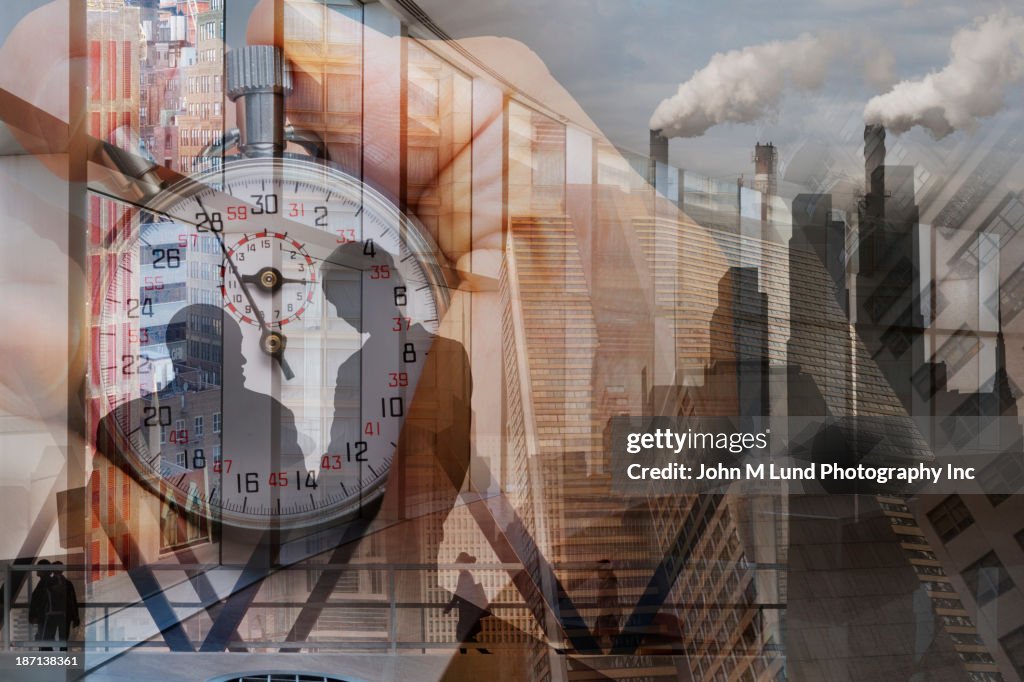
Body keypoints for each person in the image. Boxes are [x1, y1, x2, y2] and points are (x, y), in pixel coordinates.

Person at [443, 552, 492, 654]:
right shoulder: (466, 575)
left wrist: (449, 607)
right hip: (468, 610)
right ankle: (475, 654)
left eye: (458, 564)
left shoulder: (464, 575)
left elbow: (458, 593)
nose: (457, 567)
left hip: (467, 611)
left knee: (462, 636)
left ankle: (482, 653)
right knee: (463, 635)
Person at [36, 561, 79, 651]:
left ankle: (53, 659)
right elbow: (72, 601)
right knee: (61, 640)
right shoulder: (66, 583)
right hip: (60, 615)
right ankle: (61, 659)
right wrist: (75, 617)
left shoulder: (48, 583)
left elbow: (72, 600)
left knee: (51, 639)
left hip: (53, 615)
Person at [594, 559, 620, 652]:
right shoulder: (610, 583)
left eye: (598, 569)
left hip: (607, 616)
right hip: (608, 616)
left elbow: (603, 602)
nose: (597, 572)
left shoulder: (607, 584)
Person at [28, 559, 52, 647]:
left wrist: (36, 616)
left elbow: (42, 601)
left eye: (39, 568)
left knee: (44, 640)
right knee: (44, 639)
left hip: (44, 617)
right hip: (43, 617)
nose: (37, 570)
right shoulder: (44, 582)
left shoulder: (45, 582)